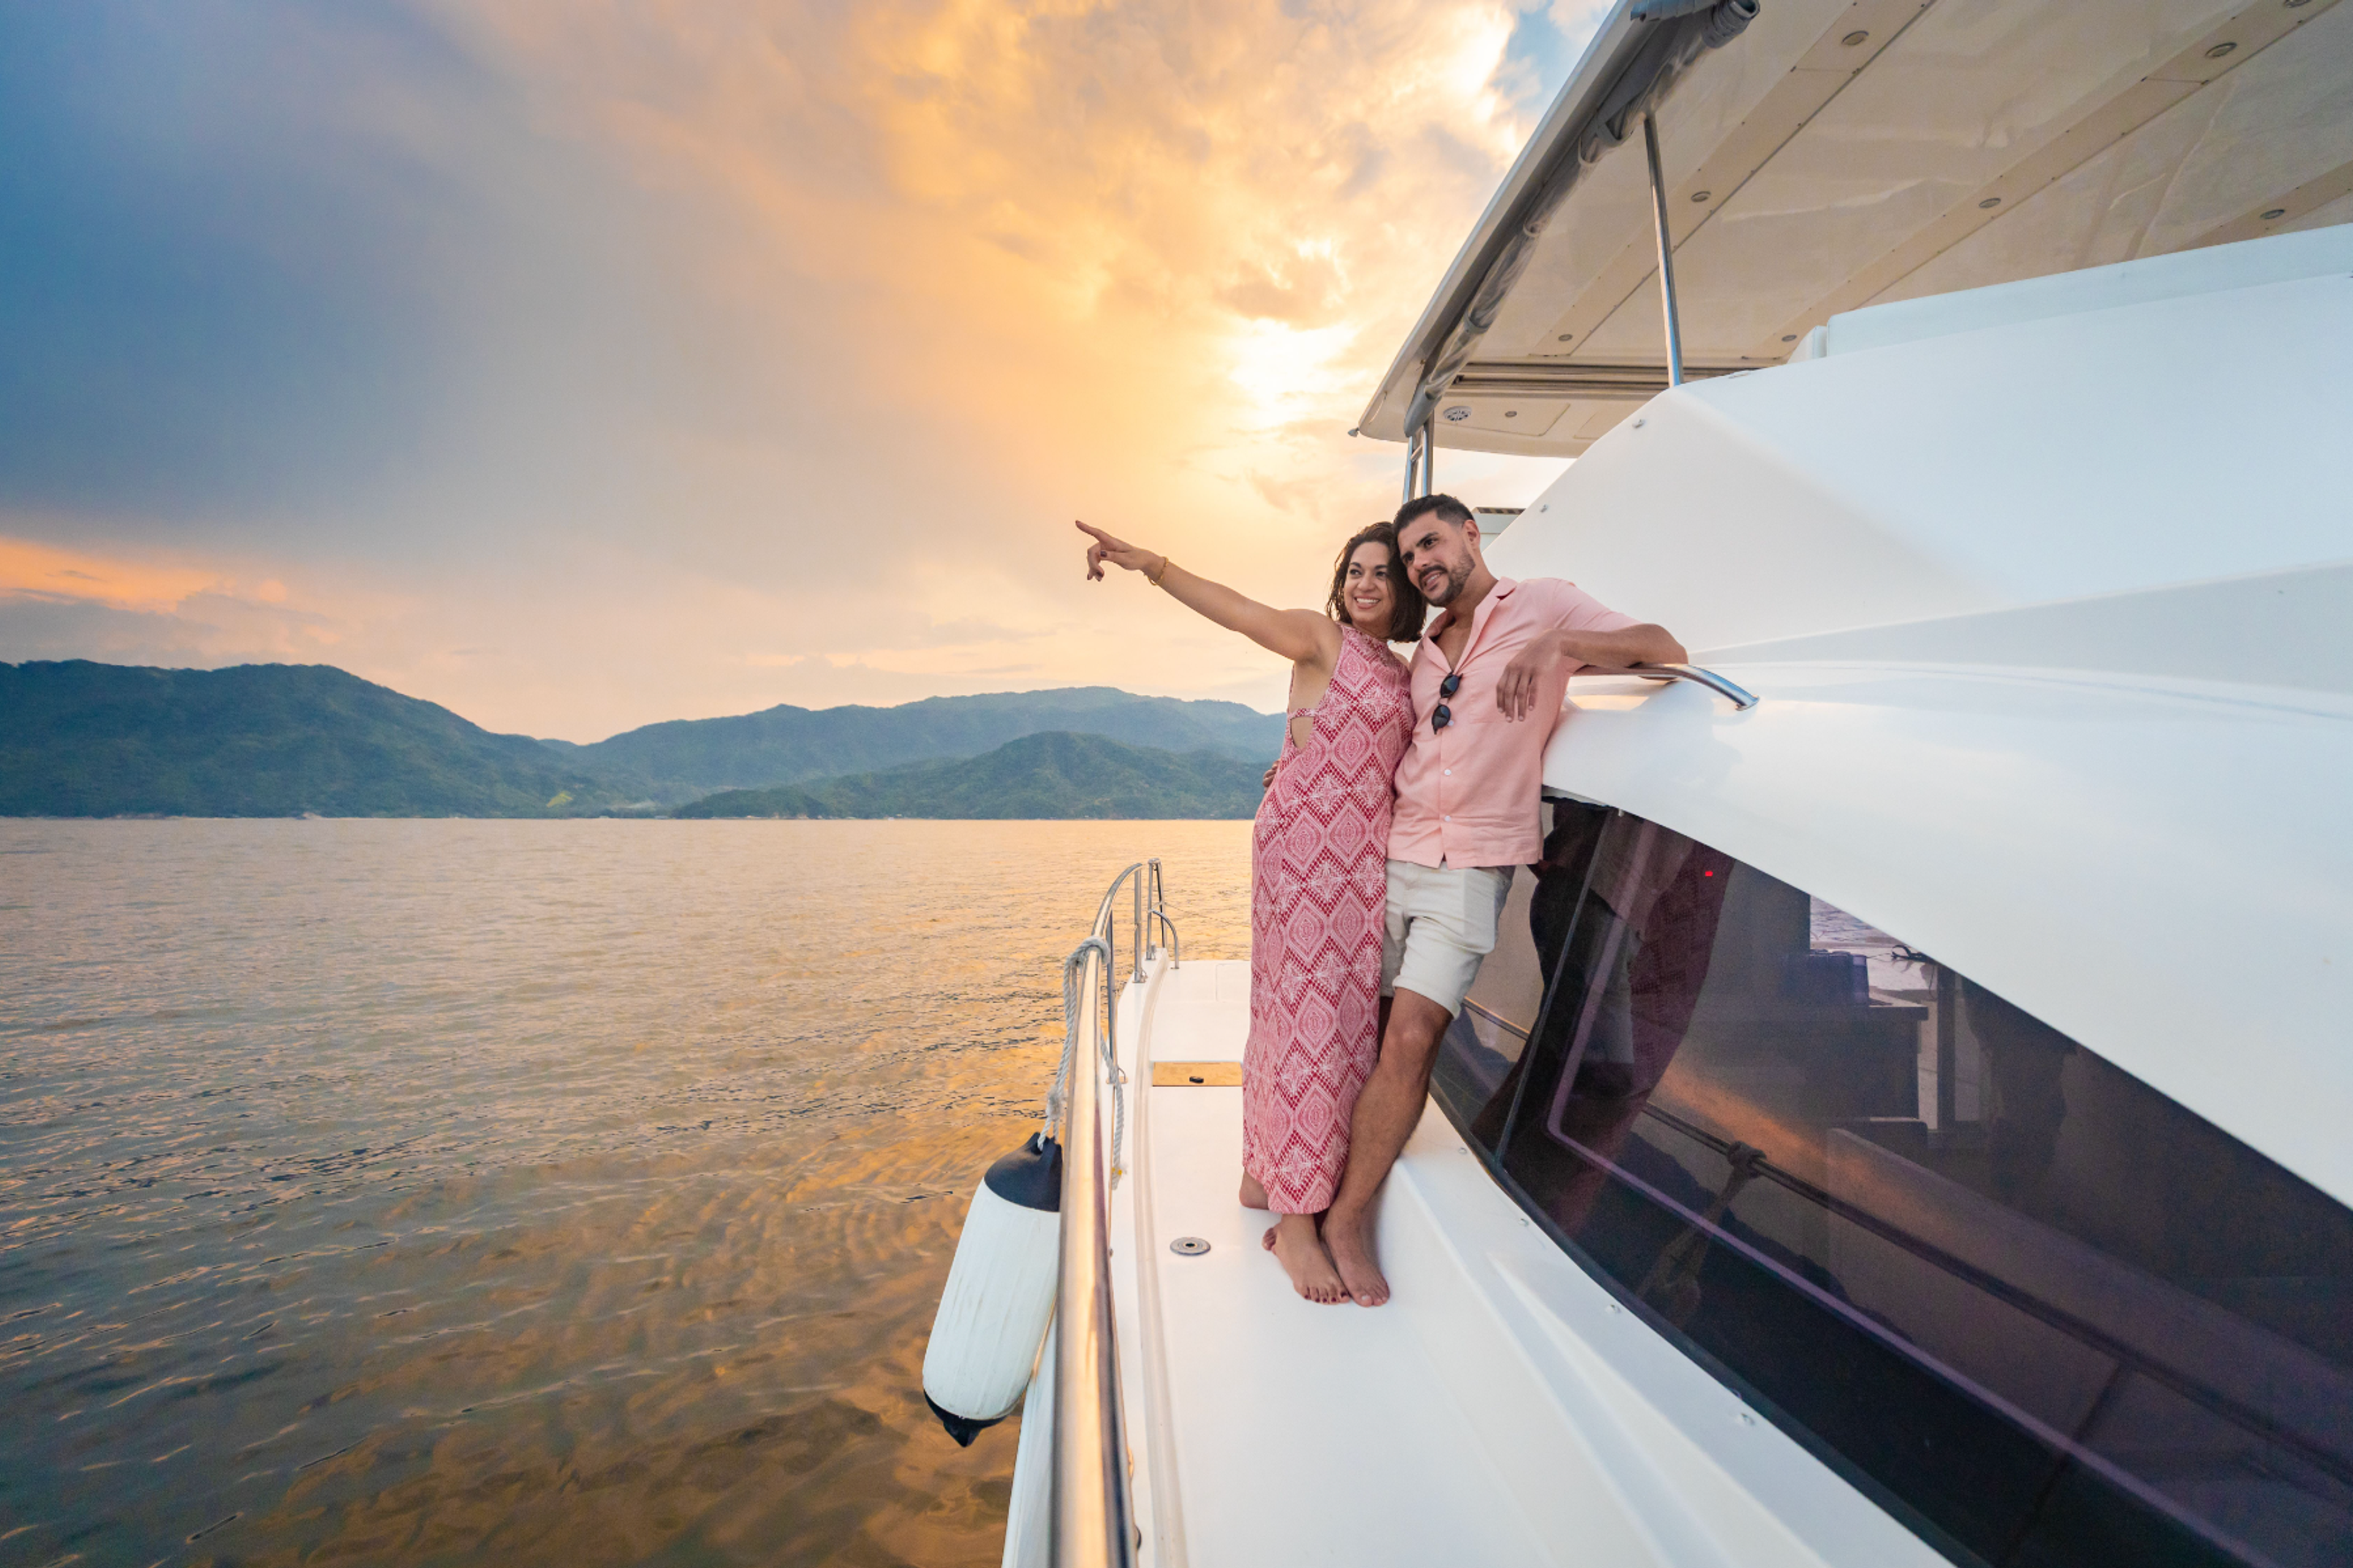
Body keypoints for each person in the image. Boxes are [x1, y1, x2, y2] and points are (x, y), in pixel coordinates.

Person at [1319, 493, 1688, 1306]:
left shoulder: (1546, 603)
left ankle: (1345, 1219)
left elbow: (1663, 647)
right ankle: (1307, 1185)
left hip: (1471, 866)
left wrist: (1561, 644)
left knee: (1414, 1034)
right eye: (1409, 555)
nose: (1420, 563)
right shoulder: (1421, 654)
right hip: (1393, 852)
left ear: (1469, 535)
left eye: (1429, 544)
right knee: (1356, 1027)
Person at [1077, 518, 1423, 1302]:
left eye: (1384, 575)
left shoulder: (1403, 672)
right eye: (1357, 571)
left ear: (1404, 591)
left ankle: (1263, 1173)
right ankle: (1296, 1225)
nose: (1367, 584)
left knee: (1325, 1020)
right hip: (1303, 857)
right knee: (1306, 1020)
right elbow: (1235, 609)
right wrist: (1153, 564)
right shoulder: (1320, 640)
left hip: (1362, 866)